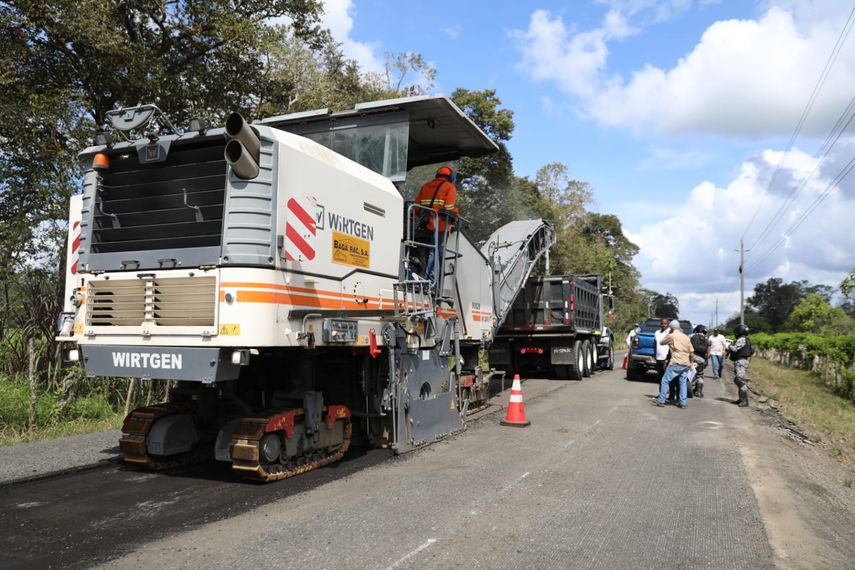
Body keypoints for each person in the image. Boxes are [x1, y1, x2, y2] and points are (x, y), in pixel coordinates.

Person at [414, 165, 458, 283]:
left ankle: (428, 278)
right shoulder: (450, 187)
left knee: (429, 252)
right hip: (440, 226)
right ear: (451, 176)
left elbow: (416, 207)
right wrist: (456, 215)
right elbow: (449, 208)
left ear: (438, 175)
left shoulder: (426, 186)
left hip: (425, 225)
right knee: (436, 252)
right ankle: (432, 281)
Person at [655, 320, 694, 409]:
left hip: (675, 362)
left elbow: (661, 342)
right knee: (682, 383)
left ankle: (661, 400)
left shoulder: (671, 335)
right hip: (685, 363)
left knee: (665, 380)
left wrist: (669, 333)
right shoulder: (686, 337)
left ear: (671, 328)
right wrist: (691, 363)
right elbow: (692, 352)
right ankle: (683, 403)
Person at [727, 324, 753, 407]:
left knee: (739, 380)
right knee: (738, 380)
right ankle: (741, 399)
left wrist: (729, 345)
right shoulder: (746, 339)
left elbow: (735, 349)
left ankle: (745, 401)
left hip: (741, 361)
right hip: (740, 361)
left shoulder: (741, 339)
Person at [689, 324, 709, 398]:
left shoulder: (691, 336)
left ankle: (685, 389)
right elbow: (707, 350)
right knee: (700, 375)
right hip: (701, 360)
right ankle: (699, 391)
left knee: (688, 373)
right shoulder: (706, 338)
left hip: (692, 358)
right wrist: (706, 360)